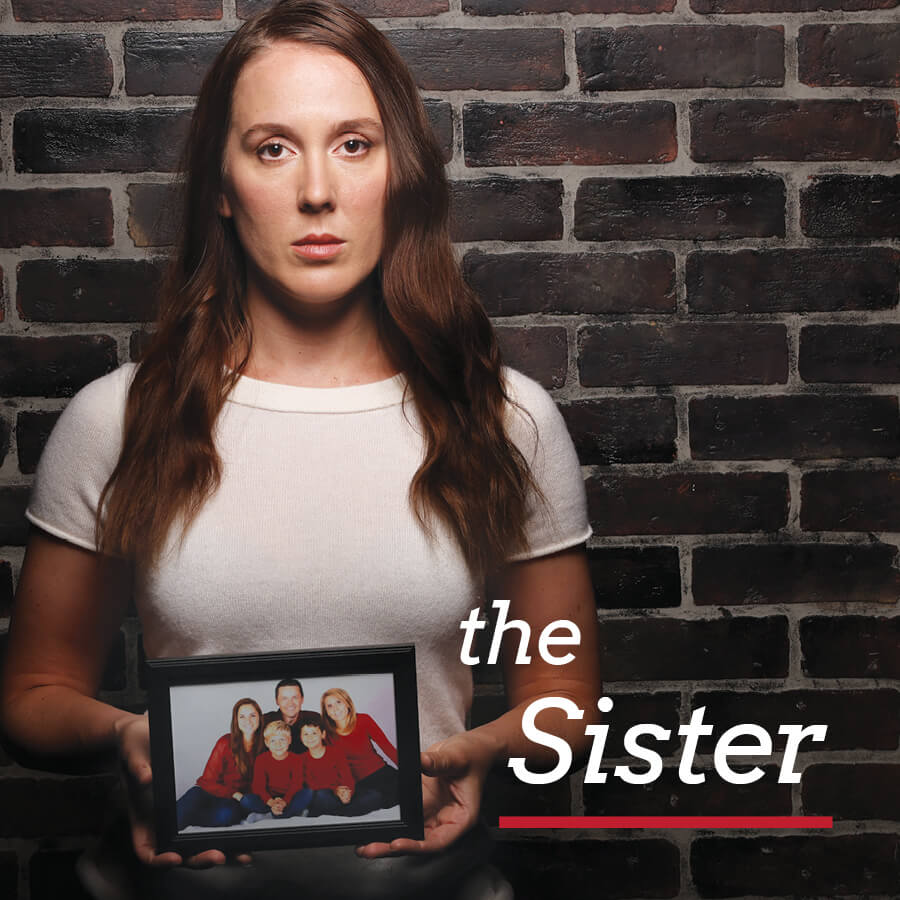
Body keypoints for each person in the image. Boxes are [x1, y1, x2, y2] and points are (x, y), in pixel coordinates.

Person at [0, 1, 602, 897]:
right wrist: (130, 738)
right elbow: (32, 696)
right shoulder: (118, 419)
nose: (317, 190)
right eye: (274, 147)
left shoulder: (505, 417)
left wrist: (481, 751)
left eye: (354, 144)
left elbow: (568, 703)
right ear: (222, 186)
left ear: (400, 172)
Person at [175, 698, 265, 829]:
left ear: (259, 718)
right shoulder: (225, 742)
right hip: (208, 791)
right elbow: (207, 781)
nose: (248, 721)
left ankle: (191, 819)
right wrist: (236, 794)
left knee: (226, 816)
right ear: (236, 721)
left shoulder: (267, 745)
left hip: (233, 801)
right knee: (179, 813)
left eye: (252, 715)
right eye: (242, 716)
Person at [321, 687, 398, 810]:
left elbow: (388, 748)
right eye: (329, 706)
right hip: (356, 783)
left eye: (338, 702)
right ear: (326, 712)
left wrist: (408, 773)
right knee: (370, 801)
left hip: (381, 772)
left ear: (347, 703)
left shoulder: (364, 720)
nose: (335, 708)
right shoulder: (326, 734)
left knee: (407, 791)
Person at [298, 713, 380, 817]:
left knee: (374, 796)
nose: (310, 737)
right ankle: (345, 811)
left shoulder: (336, 752)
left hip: (342, 792)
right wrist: (336, 791)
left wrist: (347, 791)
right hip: (326, 794)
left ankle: (338, 812)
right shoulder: (301, 759)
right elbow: (311, 784)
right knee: (320, 796)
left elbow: (347, 776)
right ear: (301, 738)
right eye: (305, 734)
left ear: (323, 734)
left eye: (314, 733)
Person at [243, 721, 313, 819]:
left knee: (308, 793)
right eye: (273, 741)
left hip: (289, 797)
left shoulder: (296, 759)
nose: (278, 744)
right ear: (267, 743)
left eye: (282, 740)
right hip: (268, 798)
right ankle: (282, 812)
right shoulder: (261, 759)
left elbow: (296, 784)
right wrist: (271, 802)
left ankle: (277, 813)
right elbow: (258, 786)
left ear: (289, 740)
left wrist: (284, 802)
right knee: (246, 800)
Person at [263, 679, 307, 754]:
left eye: (295, 697)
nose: (290, 703)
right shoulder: (264, 721)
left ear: (302, 699)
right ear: (277, 701)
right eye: (284, 698)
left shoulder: (314, 719)